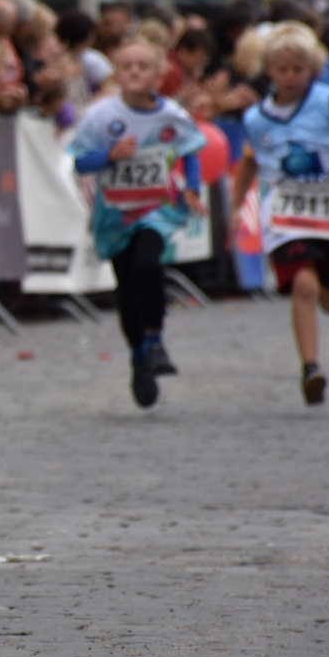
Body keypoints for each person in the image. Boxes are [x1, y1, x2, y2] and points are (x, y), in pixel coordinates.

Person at [228, 22, 329, 406]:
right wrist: (236, 207)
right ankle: (310, 368)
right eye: (282, 69)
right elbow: (249, 161)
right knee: (304, 285)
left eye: (298, 69)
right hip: (285, 213)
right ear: (269, 70)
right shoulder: (256, 117)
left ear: (312, 68)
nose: (290, 77)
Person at [68, 37, 207, 409]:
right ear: (115, 73)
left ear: (159, 75)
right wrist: (110, 155)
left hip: (156, 210)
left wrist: (193, 189)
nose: (134, 72)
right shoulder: (100, 115)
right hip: (115, 214)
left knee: (148, 264)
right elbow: (80, 162)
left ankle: (156, 339)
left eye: (143, 66)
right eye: (127, 65)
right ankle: (139, 356)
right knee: (127, 289)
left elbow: (191, 149)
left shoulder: (172, 114)